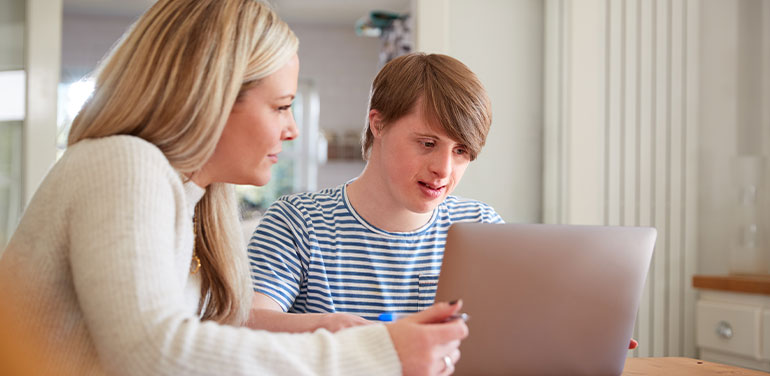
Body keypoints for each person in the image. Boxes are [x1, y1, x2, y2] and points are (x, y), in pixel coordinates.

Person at [0, 1, 468, 375]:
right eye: (282, 106)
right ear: (214, 98)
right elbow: (152, 355)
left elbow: (210, 343)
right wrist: (378, 353)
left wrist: (328, 326)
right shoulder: (125, 164)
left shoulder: (199, 201)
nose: (292, 130)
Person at [246, 53, 503, 333]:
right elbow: (245, 322)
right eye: (428, 143)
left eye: (460, 151)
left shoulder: (481, 226)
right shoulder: (297, 221)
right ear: (378, 124)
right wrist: (327, 327)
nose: (444, 169)